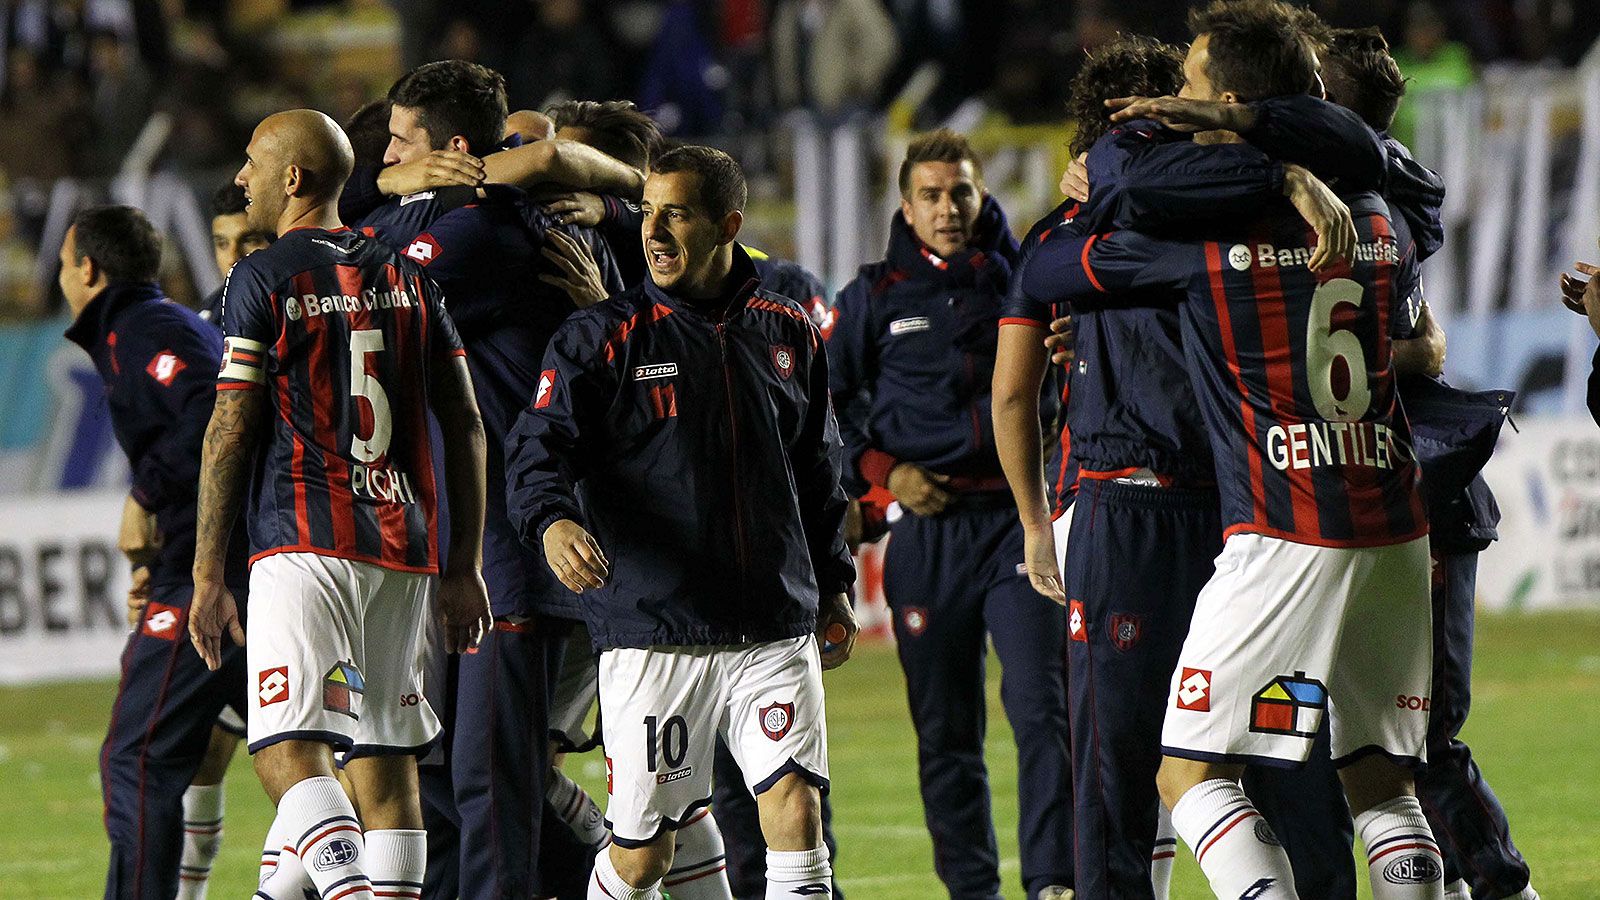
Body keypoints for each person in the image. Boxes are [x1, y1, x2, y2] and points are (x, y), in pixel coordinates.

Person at [1018, 3, 1445, 897]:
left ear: (1229, 101)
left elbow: (1058, 262)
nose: (1175, 100)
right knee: (1380, 780)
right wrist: (1276, 156)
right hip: (1394, 522)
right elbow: (1364, 156)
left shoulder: (1204, 241)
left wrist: (1114, 185)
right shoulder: (1377, 214)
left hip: (1283, 525)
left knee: (1189, 774)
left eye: (1188, 87)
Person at [505, 145, 859, 900]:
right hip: (654, 629)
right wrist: (552, 522)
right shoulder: (601, 337)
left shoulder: (787, 330)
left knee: (797, 813)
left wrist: (834, 582)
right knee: (642, 857)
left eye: (677, 214)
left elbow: (818, 472)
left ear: (729, 224)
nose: (654, 231)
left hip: (772, 624)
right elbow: (536, 450)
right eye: (649, 213)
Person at [187, 108, 492, 900]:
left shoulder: (262, 277)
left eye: (254, 163)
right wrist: (463, 564)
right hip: (404, 550)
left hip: (304, 542)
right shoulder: (411, 280)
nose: (242, 178)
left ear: (293, 178)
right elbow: (465, 422)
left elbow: (230, 428)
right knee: (385, 768)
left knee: (287, 753)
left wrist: (208, 573)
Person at [373, 59, 626, 900]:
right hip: (466, 548)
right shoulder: (485, 217)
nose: (388, 159)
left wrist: (380, 195)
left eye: (401, 143)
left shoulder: (483, 231)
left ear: (452, 149)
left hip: (511, 551)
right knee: (442, 773)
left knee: (489, 784)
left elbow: (357, 288)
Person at [829, 128, 1074, 900]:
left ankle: (1054, 883)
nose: (947, 208)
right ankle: (972, 891)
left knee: (1043, 708)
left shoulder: (1028, 278)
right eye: (930, 195)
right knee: (946, 734)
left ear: (981, 194)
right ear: (906, 207)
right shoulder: (873, 297)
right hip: (926, 533)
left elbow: (1074, 381)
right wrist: (883, 472)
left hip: (1017, 524)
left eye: (960, 192)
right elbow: (822, 406)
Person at [64, 204, 252, 900]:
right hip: (225, 562)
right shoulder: (147, 328)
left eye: (64, 264)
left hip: (215, 575)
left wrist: (144, 498)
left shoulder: (146, 330)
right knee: (310, 758)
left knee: (139, 759)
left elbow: (213, 417)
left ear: (87, 269)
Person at [199, 183, 273, 324]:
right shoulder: (205, 321)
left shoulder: (305, 307)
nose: (233, 258)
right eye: (222, 244)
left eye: (249, 241)